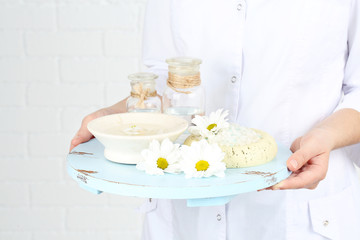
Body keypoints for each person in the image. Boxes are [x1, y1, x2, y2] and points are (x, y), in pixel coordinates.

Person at [70, 0, 360, 239]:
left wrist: (327, 136)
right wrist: (114, 117)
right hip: (185, 215)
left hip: (296, 212)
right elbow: (166, 77)